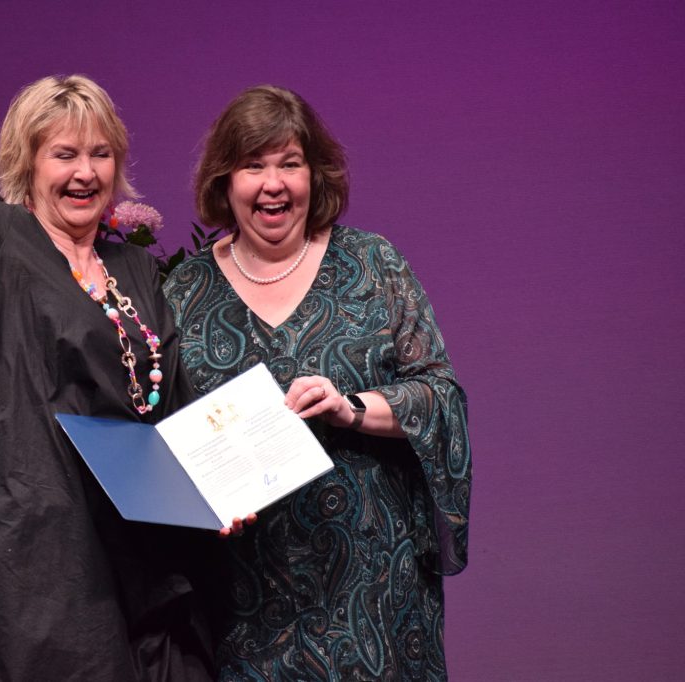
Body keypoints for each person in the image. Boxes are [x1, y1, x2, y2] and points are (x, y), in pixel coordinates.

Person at [0, 50, 214, 681]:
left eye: (100, 154)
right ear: (29, 164)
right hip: (40, 556)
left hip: (141, 554)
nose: (85, 173)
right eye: (65, 155)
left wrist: (217, 490)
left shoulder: (132, 268)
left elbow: (171, 397)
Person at [163, 85, 471, 680]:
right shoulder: (183, 293)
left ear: (316, 175)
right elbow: (166, 440)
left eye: (289, 164)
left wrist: (350, 407)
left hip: (375, 595)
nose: (272, 183)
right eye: (253, 165)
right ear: (225, 181)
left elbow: (440, 400)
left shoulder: (372, 265)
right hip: (240, 606)